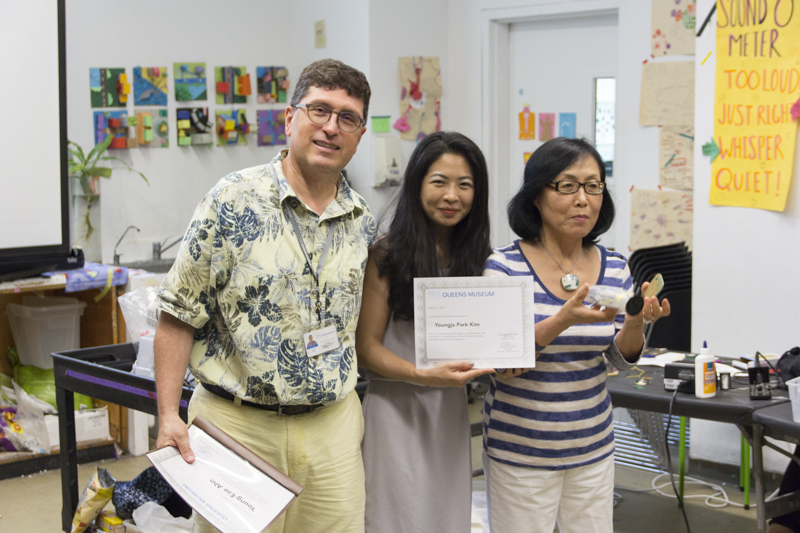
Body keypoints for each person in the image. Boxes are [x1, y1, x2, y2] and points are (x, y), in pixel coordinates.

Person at [153, 58, 375, 533]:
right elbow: (177, 313)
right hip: (238, 425)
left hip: (332, 427)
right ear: (290, 118)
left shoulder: (361, 220)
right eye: (319, 110)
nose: (331, 127)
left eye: (347, 118)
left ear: (359, 136)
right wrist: (168, 414)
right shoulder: (232, 200)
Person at [481, 137, 671, 533]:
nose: (582, 199)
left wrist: (636, 322)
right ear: (536, 196)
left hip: (592, 444)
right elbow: (500, 364)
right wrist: (562, 320)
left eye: (593, 186)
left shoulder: (615, 267)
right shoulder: (504, 267)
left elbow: (618, 359)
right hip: (521, 450)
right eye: (567, 186)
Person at [355, 131, 494, 533]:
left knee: (446, 516)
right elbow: (366, 348)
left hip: (448, 408)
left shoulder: (481, 259)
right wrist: (421, 374)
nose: (452, 195)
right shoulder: (387, 254)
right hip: (395, 407)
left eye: (464, 184)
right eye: (439, 182)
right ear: (416, 185)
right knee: (392, 517)